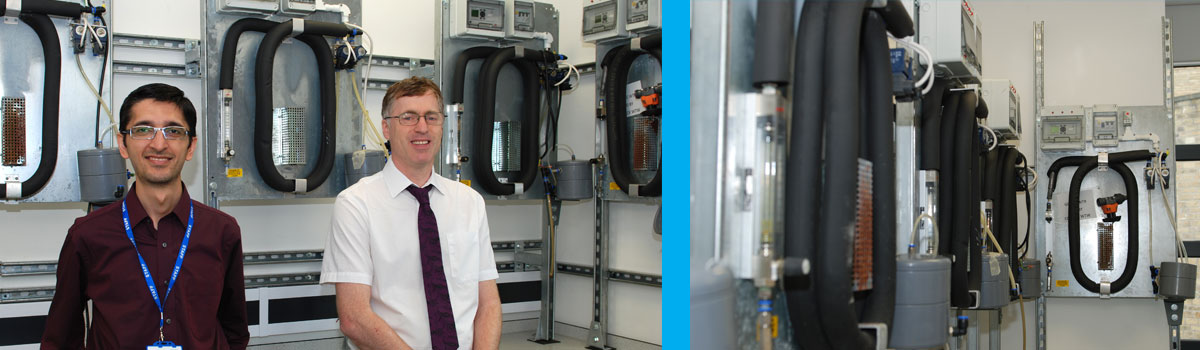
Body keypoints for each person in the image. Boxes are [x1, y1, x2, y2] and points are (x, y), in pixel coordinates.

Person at [41, 83, 250, 349]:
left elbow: (235, 333)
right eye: (143, 130)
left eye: (173, 131)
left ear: (190, 147)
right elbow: (60, 339)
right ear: (123, 144)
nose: (159, 143)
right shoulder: (87, 235)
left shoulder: (222, 232)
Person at [321, 76, 501, 350]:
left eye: (431, 117)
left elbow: (488, 304)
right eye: (408, 117)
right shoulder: (356, 205)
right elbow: (354, 318)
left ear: (443, 126)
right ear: (386, 128)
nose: (422, 127)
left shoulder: (470, 203)